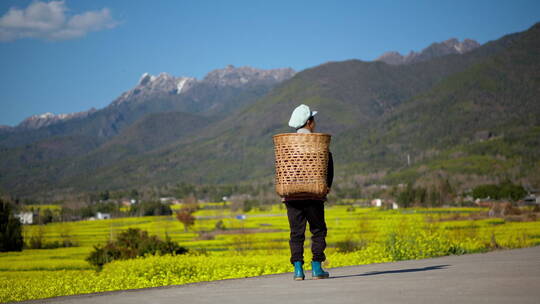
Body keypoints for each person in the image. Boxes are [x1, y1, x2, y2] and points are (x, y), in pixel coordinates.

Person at [284, 104, 333, 280]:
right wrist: (326, 187)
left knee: (296, 233)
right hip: (314, 196)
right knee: (318, 230)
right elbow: (329, 165)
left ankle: (298, 270)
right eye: (314, 119)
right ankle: (317, 268)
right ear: (309, 122)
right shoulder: (318, 143)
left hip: (292, 196)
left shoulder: (287, 145)